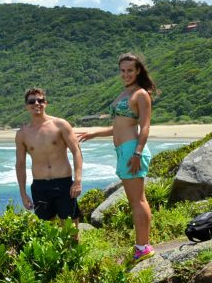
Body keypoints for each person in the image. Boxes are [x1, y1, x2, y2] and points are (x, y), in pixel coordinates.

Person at [77, 53, 158, 262]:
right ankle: (141, 245)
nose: (126, 74)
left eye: (130, 70)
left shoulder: (141, 94)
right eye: (122, 71)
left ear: (138, 70)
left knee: (138, 200)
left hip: (133, 150)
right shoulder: (124, 93)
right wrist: (95, 133)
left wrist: (138, 152)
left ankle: (143, 247)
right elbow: (119, 126)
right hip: (123, 151)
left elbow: (145, 125)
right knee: (135, 200)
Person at [15, 88, 83, 224]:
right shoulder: (22, 134)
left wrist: (77, 181)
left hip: (63, 183)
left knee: (70, 229)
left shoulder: (60, 125)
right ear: (26, 106)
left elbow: (76, 151)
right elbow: (20, 164)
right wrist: (23, 194)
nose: (36, 103)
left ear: (45, 102)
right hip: (40, 186)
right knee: (47, 231)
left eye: (40, 100)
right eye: (32, 101)